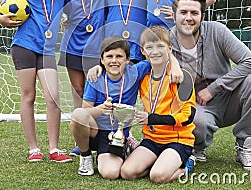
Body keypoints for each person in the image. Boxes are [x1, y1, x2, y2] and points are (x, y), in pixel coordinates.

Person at [170, 0, 251, 170]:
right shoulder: (167, 39)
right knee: (197, 122)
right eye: (183, 12)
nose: (188, 18)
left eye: (194, 13)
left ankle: (246, 147)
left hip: (228, 98)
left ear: (202, 16)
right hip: (195, 104)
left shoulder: (217, 31)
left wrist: (214, 88)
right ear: (174, 14)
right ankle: (196, 147)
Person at [0, 0, 71, 163]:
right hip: (24, 46)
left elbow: (74, 7)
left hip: (46, 50)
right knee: (29, 96)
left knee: (53, 98)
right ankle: (34, 149)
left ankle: (54, 149)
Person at [70, 35, 183, 178]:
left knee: (110, 173)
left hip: (117, 134)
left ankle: (126, 144)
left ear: (127, 59)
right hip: (95, 131)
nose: (114, 61)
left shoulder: (135, 72)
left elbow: (158, 57)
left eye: (119, 56)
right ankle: (85, 157)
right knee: (78, 115)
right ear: (102, 59)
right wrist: (101, 110)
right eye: (109, 56)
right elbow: (85, 112)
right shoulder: (95, 77)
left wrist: (175, 64)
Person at [120, 25, 196, 183]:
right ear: (142, 51)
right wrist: (97, 68)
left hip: (178, 139)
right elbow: (115, 69)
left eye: (160, 46)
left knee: (157, 176)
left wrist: (152, 119)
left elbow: (188, 116)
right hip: (152, 138)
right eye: (149, 47)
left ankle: (187, 164)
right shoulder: (143, 77)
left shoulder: (181, 76)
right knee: (127, 172)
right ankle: (159, 161)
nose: (155, 51)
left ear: (170, 48)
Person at [57, 0, 109, 156]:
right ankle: (83, 142)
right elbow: (55, 6)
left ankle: (105, 137)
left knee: (97, 91)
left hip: (96, 48)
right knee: (78, 91)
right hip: (72, 44)